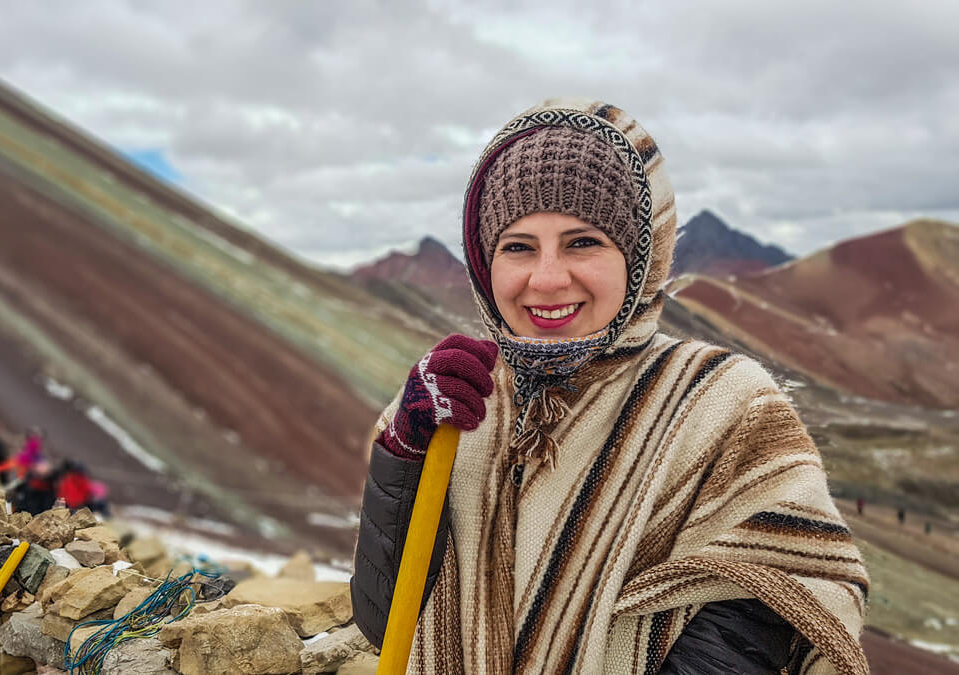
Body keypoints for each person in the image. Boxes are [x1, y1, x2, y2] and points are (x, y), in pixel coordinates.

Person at [350, 99, 868, 674]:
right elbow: (383, 621)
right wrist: (404, 455)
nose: (547, 278)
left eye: (583, 242)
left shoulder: (723, 402)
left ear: (639, 258)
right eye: (518, 247)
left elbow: (784, 602)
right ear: (482, 262)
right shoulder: (457, 405)